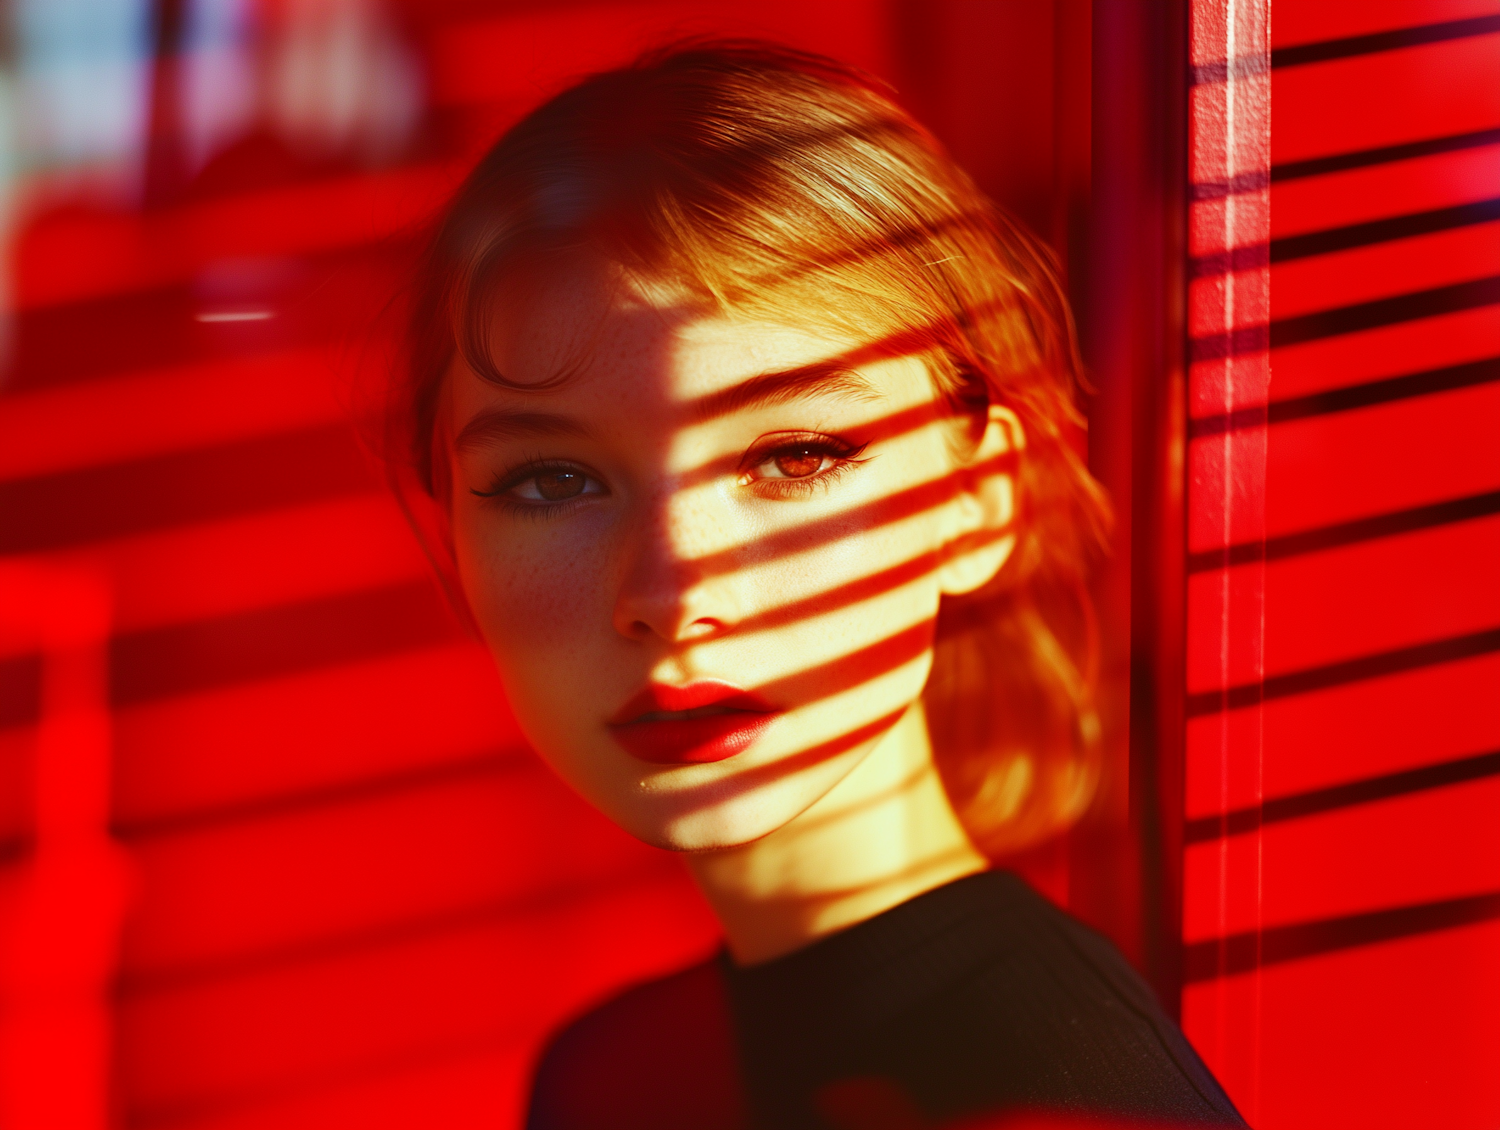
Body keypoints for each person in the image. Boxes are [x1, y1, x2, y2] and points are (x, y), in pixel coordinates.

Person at [381, 40, 1245, 1130]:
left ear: (977, 496)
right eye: (552, 479)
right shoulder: (618, 1073)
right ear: (452, 529)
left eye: (795, 456)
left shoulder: (1056, 1101)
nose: (672, 588)